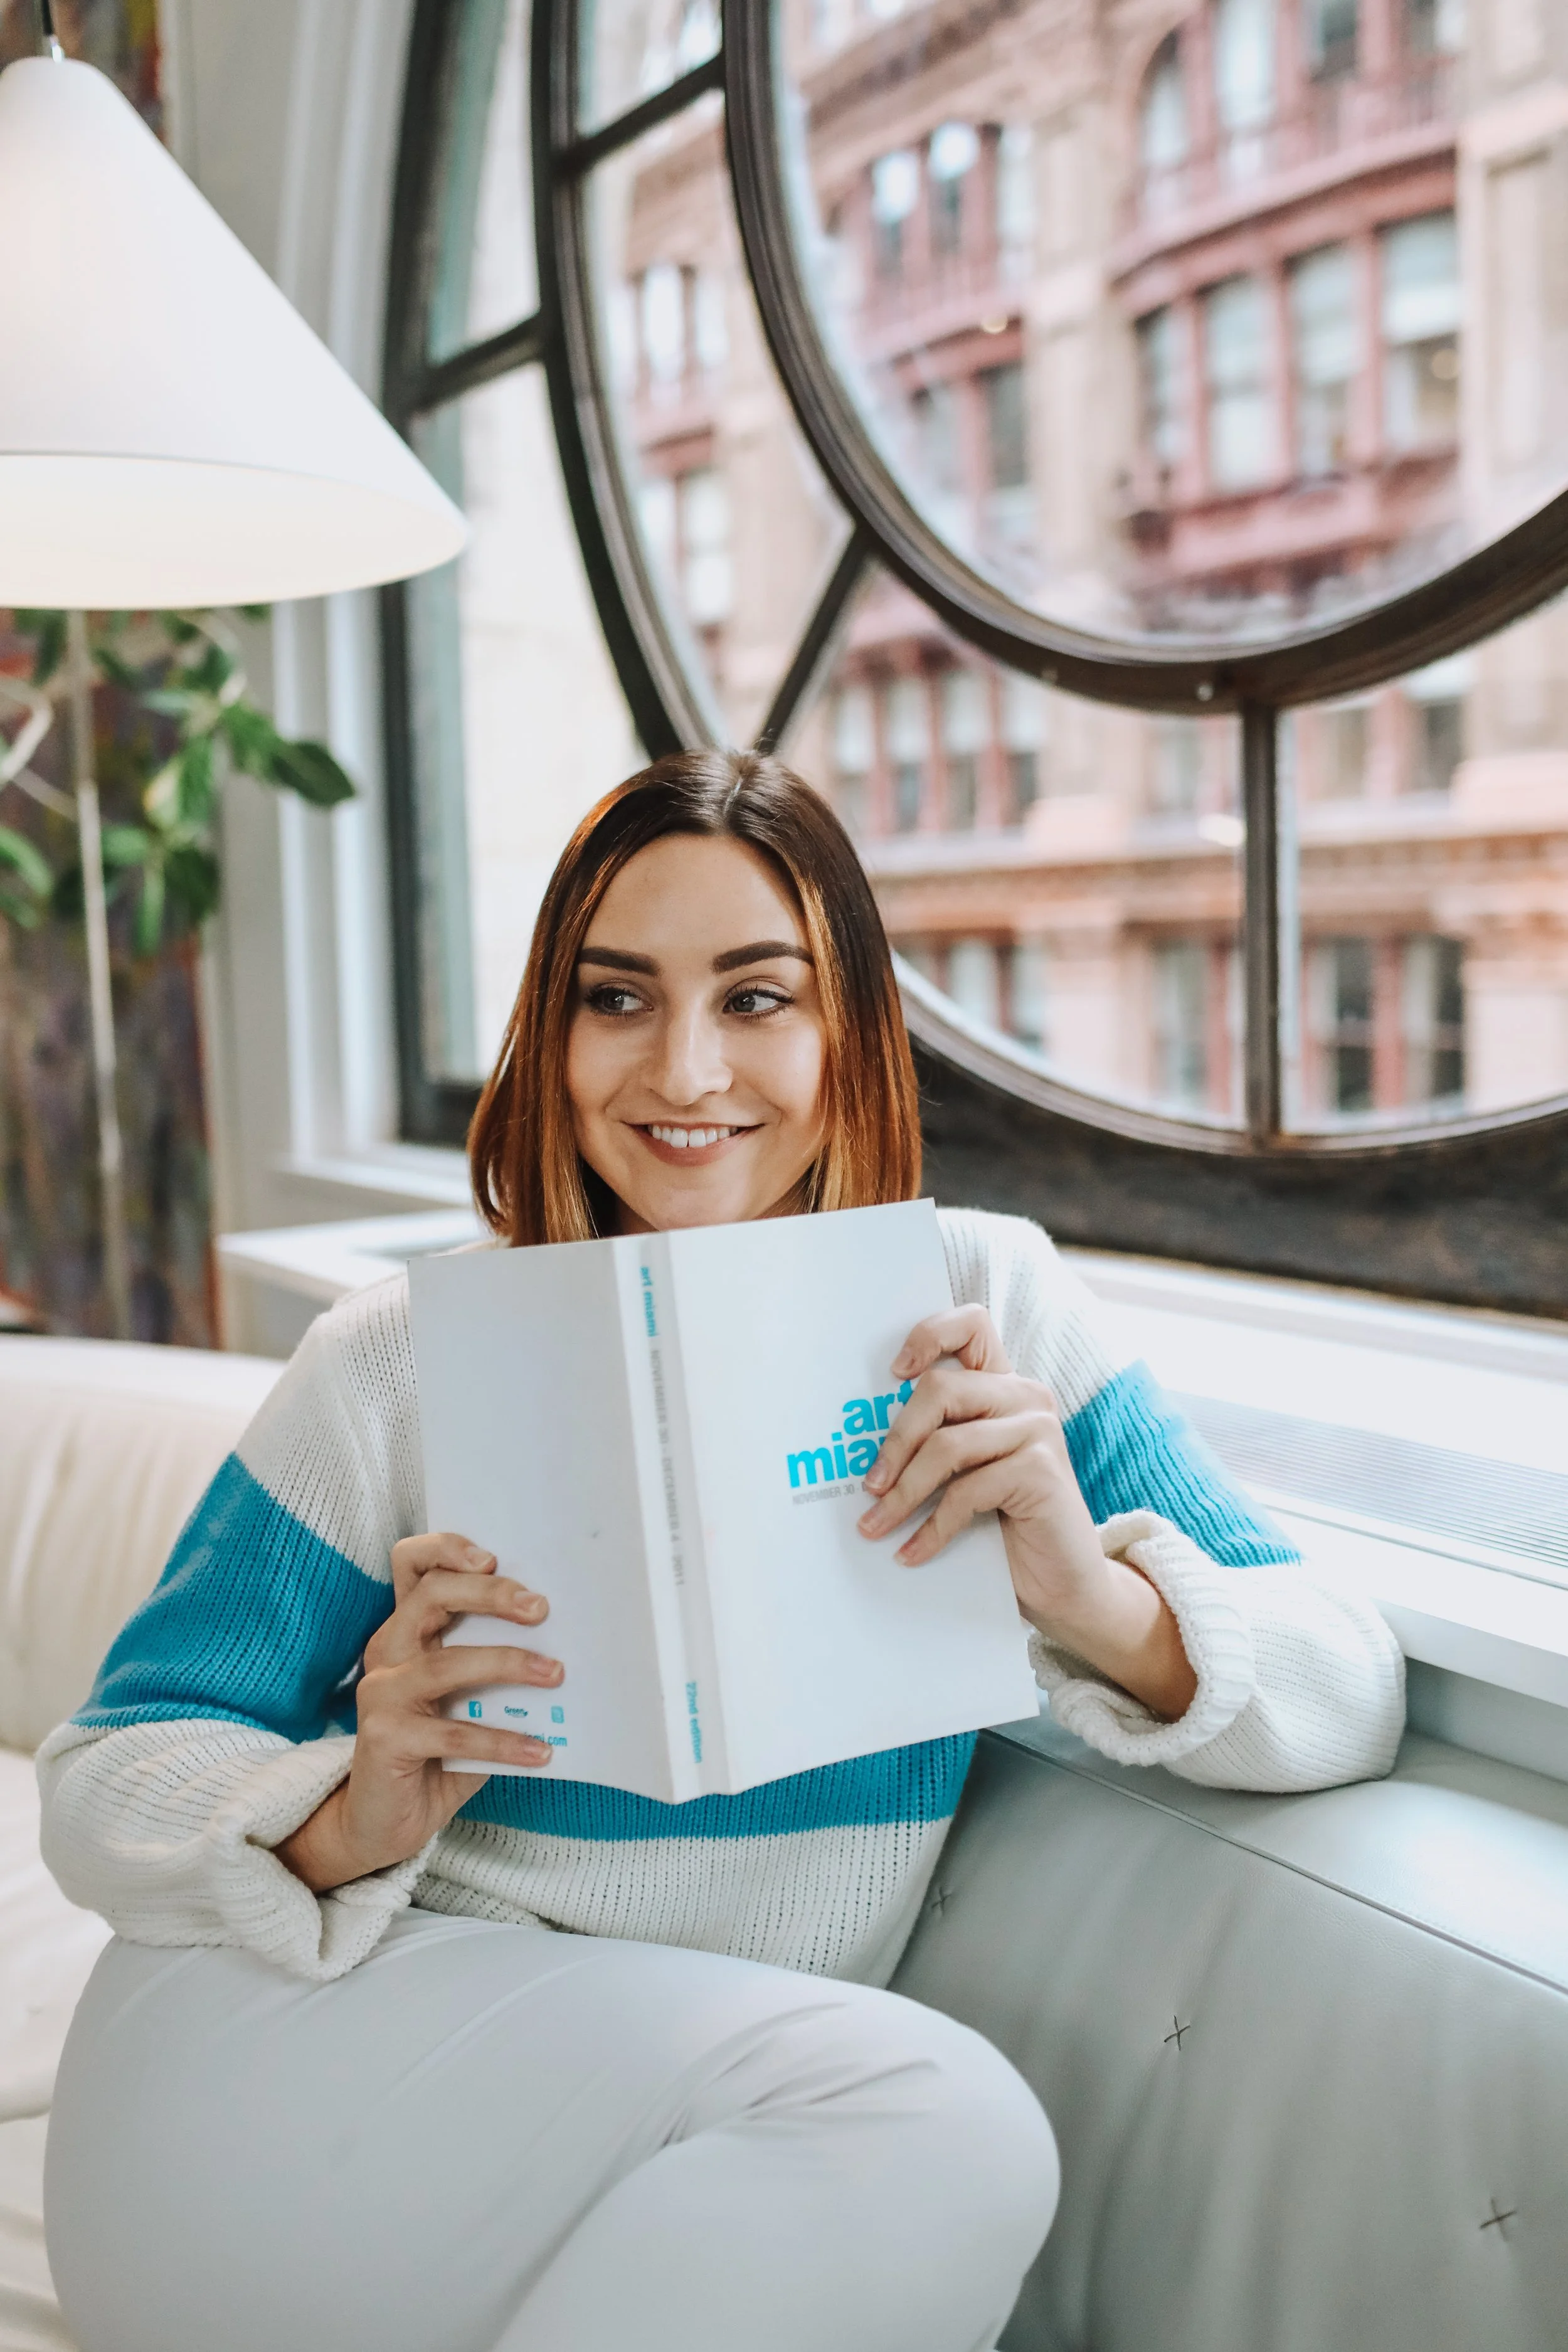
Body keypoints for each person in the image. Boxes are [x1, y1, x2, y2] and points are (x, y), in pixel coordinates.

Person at [39, 751, 1404, 2352]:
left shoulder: (979, 1310)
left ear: (849, 1033)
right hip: (264, 2083)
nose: (684, 1070)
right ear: (554, 1033)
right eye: (617, 999)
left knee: (922, 2129)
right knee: (939, 2116)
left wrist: (1076, 1588)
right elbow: (104, 1777)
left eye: (755, 999)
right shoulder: (404, 1358)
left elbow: (1347, 1690)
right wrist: (351, 1808)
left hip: (642, 2132)